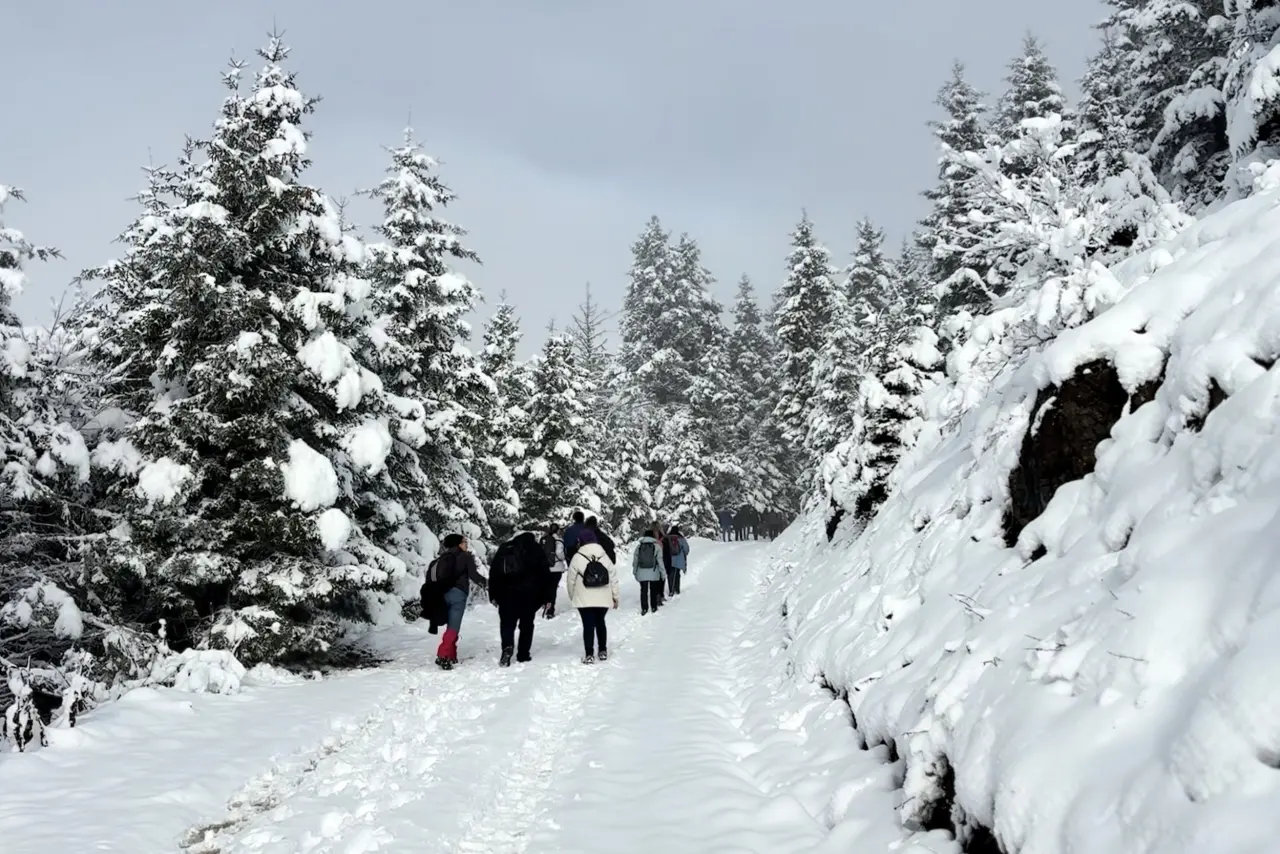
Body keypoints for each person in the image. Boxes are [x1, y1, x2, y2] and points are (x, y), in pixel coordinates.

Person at [488, 528, 554, 666]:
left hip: (505, 594)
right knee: (526, 625)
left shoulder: (505, 548)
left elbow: (494, 572)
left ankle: (507, 647)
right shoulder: (535, 549)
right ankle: (523, 654)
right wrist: (548, 597)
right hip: (529, 595)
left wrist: (493, 594)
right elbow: (545, 574)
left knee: (507, 624)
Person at [433, 534, 487, 670]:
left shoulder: (443, 558)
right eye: (464, 542)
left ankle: (451, 655)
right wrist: (487, 584)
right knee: (454, 626)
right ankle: (443, 655)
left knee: (452, 625)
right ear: (458, 544)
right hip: (458, 593)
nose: (466, 544)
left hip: (443, 594)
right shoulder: (466, 556)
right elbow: (474, 575)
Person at [565, 527, 619, 664]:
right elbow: (613, 577)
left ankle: (589, 654)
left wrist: (573, 596)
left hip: (584, 597)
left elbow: (570, 580)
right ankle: (602, 651)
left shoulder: (577, 557)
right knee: (600, 622)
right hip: (603, 596)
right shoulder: (604, 555)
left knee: (588, 625)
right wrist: (615, 597)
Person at [632, 527, 664, 615]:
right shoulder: (657, 546)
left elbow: (635, 561)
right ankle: (653, 607)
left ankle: (644, 608)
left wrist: (635, 572)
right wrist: (663, 573)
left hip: (641, 572)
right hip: (654, 572)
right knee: (653, 590)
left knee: (643, 591)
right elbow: (660, 561)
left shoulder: (639, 547)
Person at [541, 523, 567, 619]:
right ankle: (550, 610)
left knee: (546, 587)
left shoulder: (544, 540)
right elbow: (559, 553)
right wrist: (563, 558)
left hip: (545, 568)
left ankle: (545, 603)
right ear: (558, 530)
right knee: (553, 589)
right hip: (556, 568)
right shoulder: (558, 540)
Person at [664, 525, 690, 596]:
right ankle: (677, 589)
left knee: (670, 574)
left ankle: (671, 590)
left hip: (668, 559)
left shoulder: (667, 538)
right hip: (678, 560)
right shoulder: (680, 538)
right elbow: (686, 549)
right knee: (677, 574)